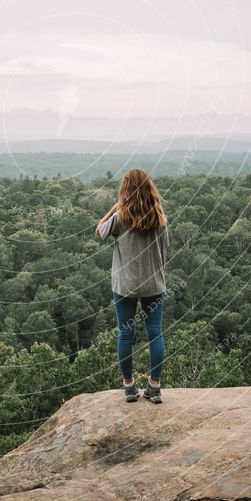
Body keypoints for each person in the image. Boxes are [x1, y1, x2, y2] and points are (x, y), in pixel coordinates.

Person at [96, 168, 169, 404]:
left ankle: (129, 387)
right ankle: (154, 388)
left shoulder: (120, 219)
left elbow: (99, 230)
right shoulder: (158, 217)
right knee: (155, 333)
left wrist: (117, 206)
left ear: (125, 192)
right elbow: (164, 253)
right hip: (154, 284)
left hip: (125, 285)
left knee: (126, 335)